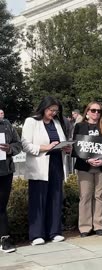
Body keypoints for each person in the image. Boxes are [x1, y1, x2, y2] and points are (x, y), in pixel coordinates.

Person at [21, 96, 70, 246]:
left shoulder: (56, 123)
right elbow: (26, 145)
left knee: (55, 198)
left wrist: (66, 148)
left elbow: (60, 141)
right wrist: (46, 147)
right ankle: (36, 234)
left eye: (56, 111)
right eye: (51, 110)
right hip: (39, 166)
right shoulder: (31, 122)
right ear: (44, 108)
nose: (54, 113)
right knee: (38, 200)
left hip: (56, 164)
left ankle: (54, 232)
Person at [73, 102, 102, 238]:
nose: (96, 113)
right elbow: (76, 146)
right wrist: (87, 159)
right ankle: (85, 227)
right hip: (85, 166)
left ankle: (99, 225)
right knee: (85, 196)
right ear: (87, 111)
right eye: (93, 110)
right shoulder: (79, 126)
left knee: (100, 196)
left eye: (99, 111)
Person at [0, 113, 22, 253]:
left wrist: (10, 149)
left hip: (5, 172)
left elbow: (18, 144)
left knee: (1, 207)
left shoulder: (7, 125)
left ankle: (4, 238)